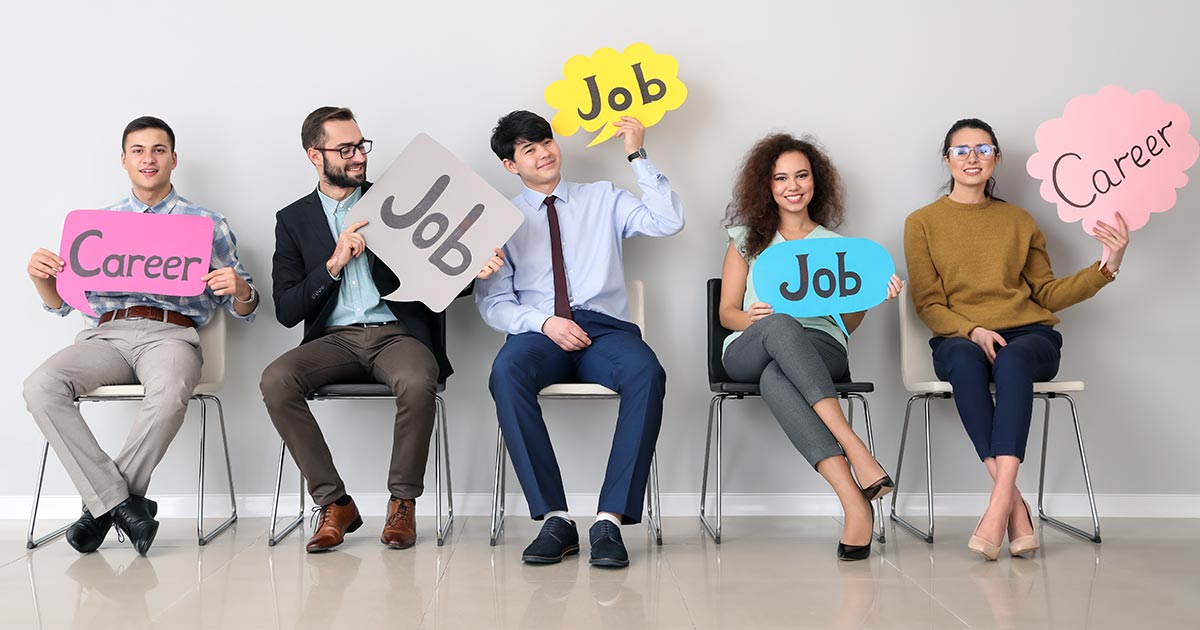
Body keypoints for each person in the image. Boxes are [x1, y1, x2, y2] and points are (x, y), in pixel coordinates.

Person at [261, 106, 502, 553]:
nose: (359, 157)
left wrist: (476, 270)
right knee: (276, 379)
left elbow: (443, 274)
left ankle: (402, 503)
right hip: (333, 340)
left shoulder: (396, 204)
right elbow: (286, 309)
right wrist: (333, 265)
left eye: (361, 146)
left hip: (398, 335)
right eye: (346, 149)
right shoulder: (292, 220)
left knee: (415, 379)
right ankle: (335, 504)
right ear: (315, 155)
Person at [23, 116, 258, 555]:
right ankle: (123, 505)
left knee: (169, 392)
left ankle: (101, 509)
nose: (148, 159)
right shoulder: (98, 223)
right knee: (40, 385)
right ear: (124, 160)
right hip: (106, 335)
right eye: (138, 150)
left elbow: (244, 308)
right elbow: (62, 304)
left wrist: (242, 290)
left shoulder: (206, 223)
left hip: (172, 335)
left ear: (173, 159)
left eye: (158, 150)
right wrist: (41, 279)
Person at [904, 118, 1129, 560]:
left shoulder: (1019, 220)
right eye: (962, 150)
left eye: (983, 149)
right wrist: (972, 329)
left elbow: (1046, 293)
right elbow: (929, 304)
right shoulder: (922, 223)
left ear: (997, 158)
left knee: (1012, 362)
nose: (973, 158)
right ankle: (1014, 506)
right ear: (947, 159)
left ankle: (999, 502)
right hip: (961, 338)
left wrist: (1108, 265)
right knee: (966, 362)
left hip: (1029, 339)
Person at [476, 110, 684, 568]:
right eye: (529, 149)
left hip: (605, 330)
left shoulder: (603, 197)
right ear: (511, 166)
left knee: (647, 372)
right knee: (506, 371)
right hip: (540, 331)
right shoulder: (497, 222)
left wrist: (637, 153)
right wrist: (545, 323)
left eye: (546, 141)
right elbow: (494, 304)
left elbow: (668, 222)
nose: (544, 153)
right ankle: (555, 519)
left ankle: (609, 520)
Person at [719, 133, 902, 561]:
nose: (792, 186)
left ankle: (855, 504)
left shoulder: (840, 248)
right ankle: (858, 452)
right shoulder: (745, 240)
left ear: (815, 182)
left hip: (822, 346)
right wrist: (755, 320)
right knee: (780, 326)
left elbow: (848, 323)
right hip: (752, 340)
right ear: (766, 186)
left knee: (776, 375)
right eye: (781, 178)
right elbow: (727, 312)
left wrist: (874, 297)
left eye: (801, 175)